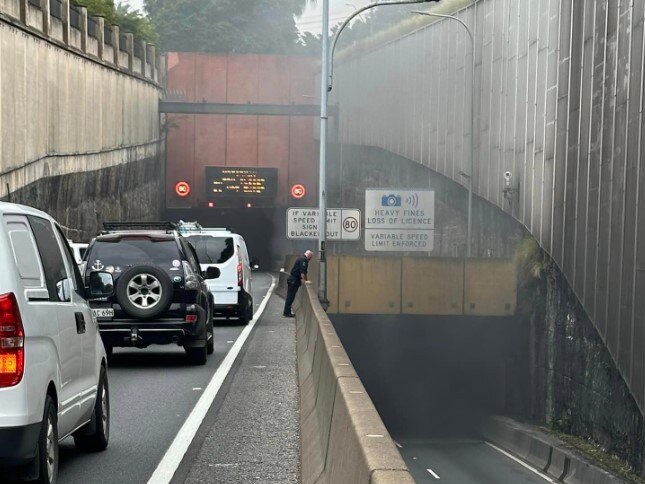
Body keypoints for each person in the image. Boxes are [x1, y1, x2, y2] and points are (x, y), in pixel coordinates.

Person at [283, 250, 314, 317]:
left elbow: (304, 272)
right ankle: (287, 312)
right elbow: (303, 272)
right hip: (294, 280)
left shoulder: (300, 258)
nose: (310, 259)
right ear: (309, 255)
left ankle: (287, 311)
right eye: (311, 257)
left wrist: (305, 280)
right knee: (290, 297)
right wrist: (305, 281)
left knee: (290, 297)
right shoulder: (304, 260)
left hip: (292, 280)